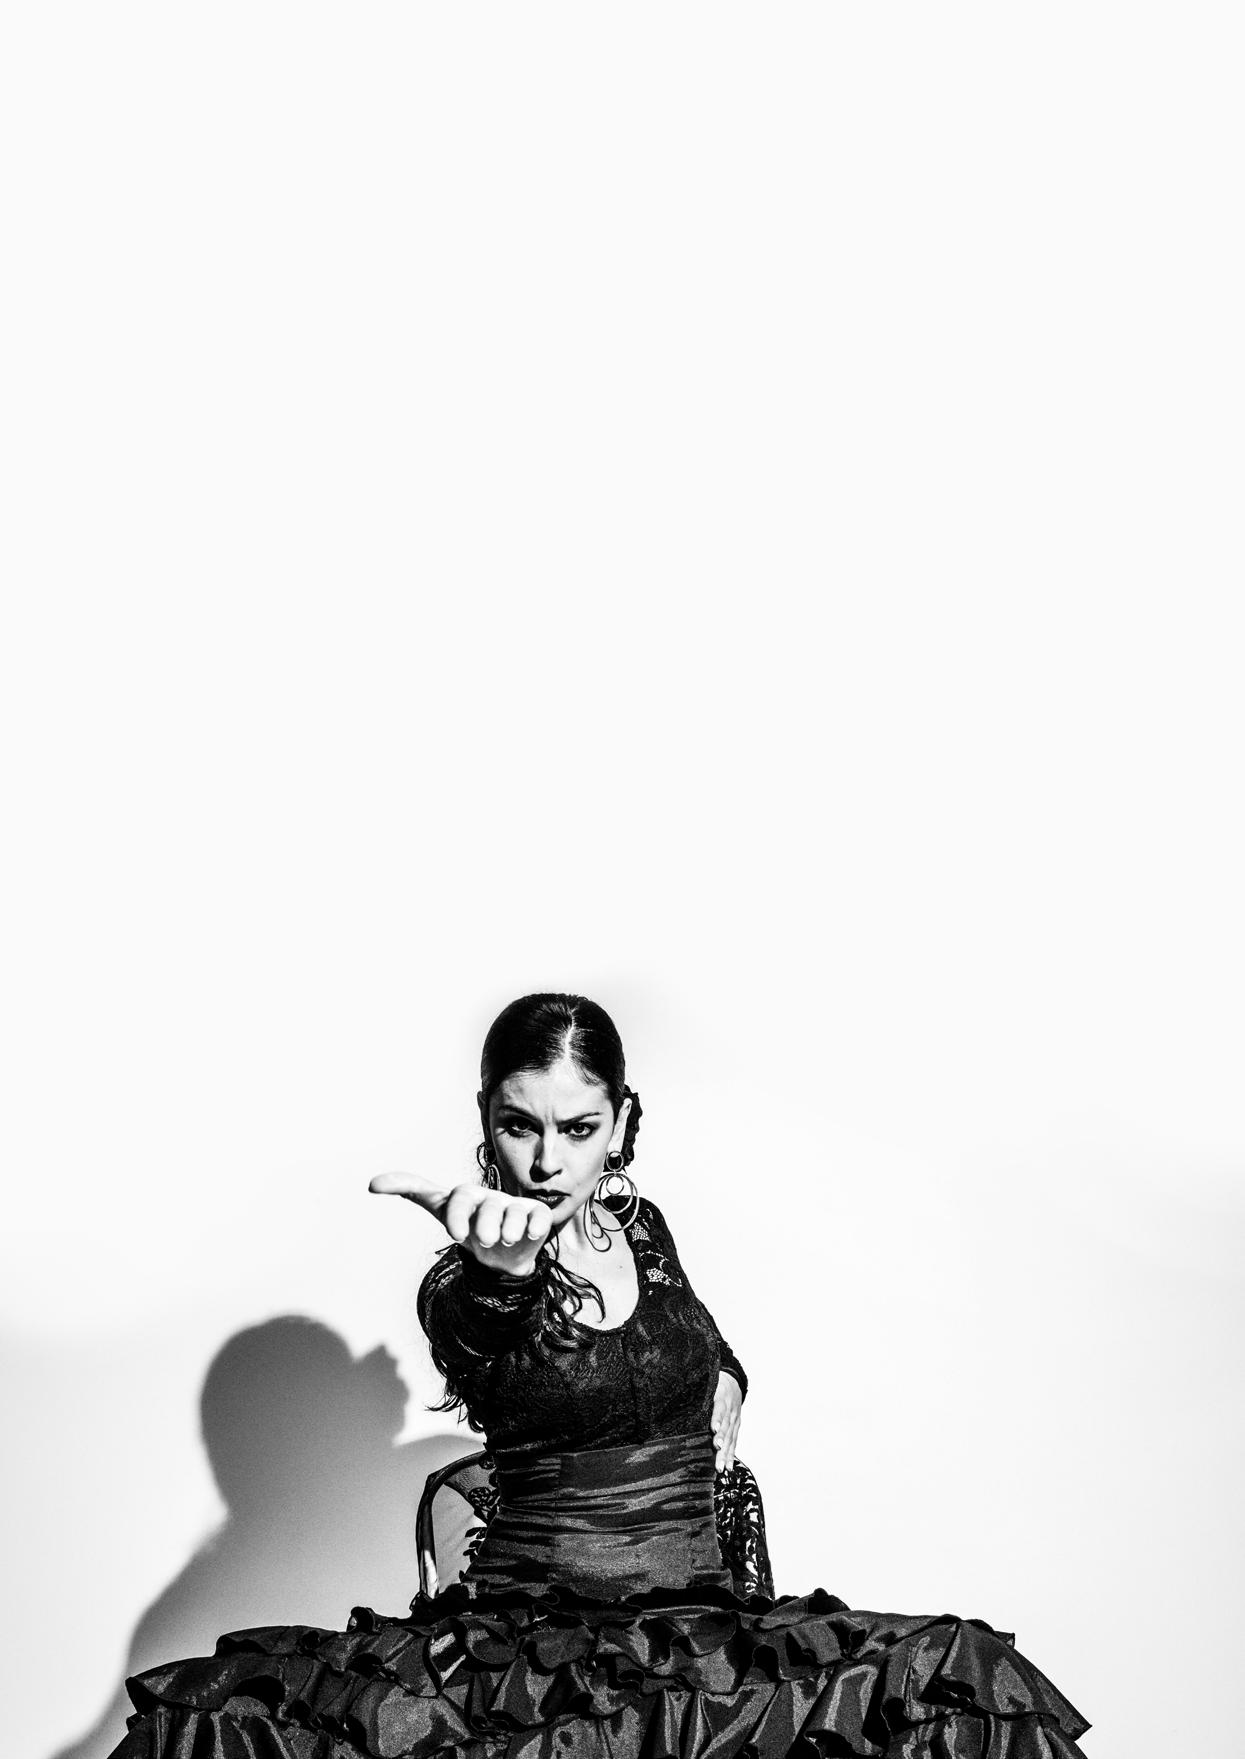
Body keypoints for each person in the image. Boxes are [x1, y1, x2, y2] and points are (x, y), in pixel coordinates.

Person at [111, 993, 1092, 1758]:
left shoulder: (644, 1230)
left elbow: (698, 1345)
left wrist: (724, 1384)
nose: (546, 1160)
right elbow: (478, 1327)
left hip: (705, 1633)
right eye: (519, 1125)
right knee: (209, 1729)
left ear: (620, 1123)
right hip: (532, 1656)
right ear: (486, 1120)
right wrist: (502, 1270)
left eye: (577, 1128)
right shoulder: (459, 1280)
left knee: (964, 1676)